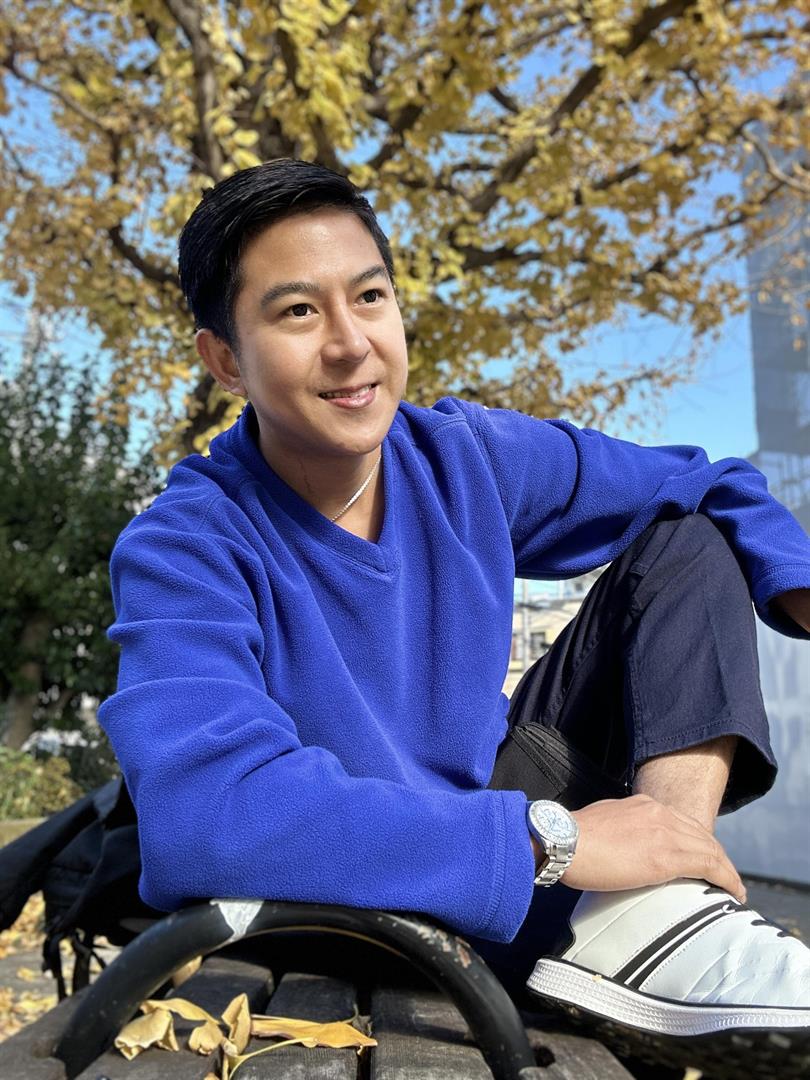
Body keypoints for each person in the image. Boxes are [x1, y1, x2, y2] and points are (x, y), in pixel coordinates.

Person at [98, 159, 810, 1071]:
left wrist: (794, 583)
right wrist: (552, 838)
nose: (352, 343)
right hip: (348, 898)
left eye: (370, 297)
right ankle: (640, 924)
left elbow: (706, 480)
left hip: (504, 834)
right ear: (226, 360)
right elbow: (207, 813)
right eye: (299, 312)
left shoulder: (462, 457)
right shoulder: (185, 542)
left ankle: (664, 909)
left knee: (690, 537)